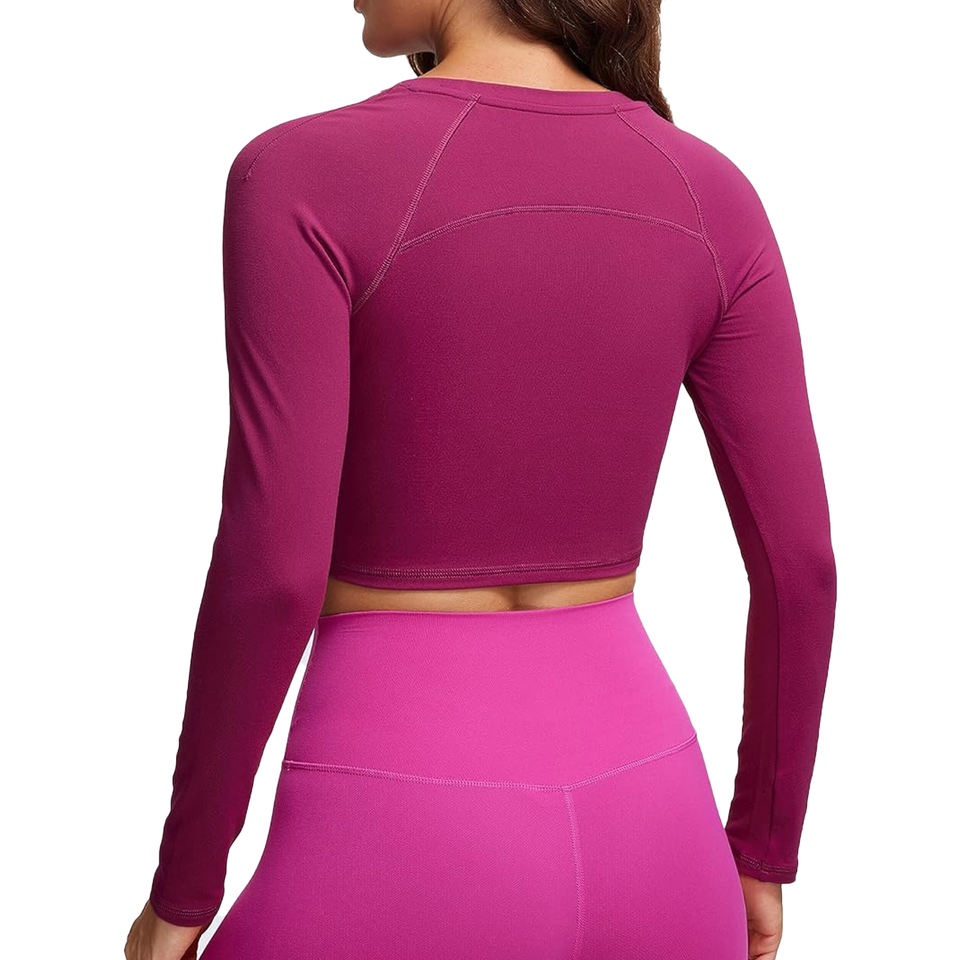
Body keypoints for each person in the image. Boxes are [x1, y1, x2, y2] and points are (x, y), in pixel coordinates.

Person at [125, 1, 838, 958]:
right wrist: (760, 852)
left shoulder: (301, 170)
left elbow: (274, 573)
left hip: (394, 831)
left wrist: (182, 890)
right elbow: (801, 569)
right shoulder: (713, 191)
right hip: (660, 835)